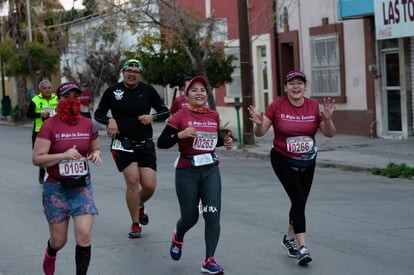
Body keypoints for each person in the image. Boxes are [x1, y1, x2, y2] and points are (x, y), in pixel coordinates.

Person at [248, 70, 336, 266]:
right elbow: (261, 132)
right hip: (282, 159)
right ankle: (302, 247)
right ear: (285, 88)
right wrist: (257, 124)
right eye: (291, 83)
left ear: (305, 87)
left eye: (300, 83)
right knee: (297, 198)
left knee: (300, 201)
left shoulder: (314, 106)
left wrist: (328, 119)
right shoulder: (276, 106)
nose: (296, 87)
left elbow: (329, 134)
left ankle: (288, 238)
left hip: (308, 160)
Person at [157, 76, 233, 275]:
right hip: (187, 170)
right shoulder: (180, 116)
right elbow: (162, 142)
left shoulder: (213, 115)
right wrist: (179, 135)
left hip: (210, 170)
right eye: (194, 90)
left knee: (212, 214)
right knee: (190, 217)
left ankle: (209, 260)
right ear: (187, 95)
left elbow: (212, 139)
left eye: (202, 90)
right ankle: (178, 235)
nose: (199, 93)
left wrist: (224, 142)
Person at [94, 58, 170, 238]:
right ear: (123, 73)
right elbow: (99, 113)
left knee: (150, 186)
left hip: (144, 143)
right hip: (122, 143)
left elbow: (165, 111)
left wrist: (152, 117)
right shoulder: (113, 91)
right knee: (133, 180)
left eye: (136, 72)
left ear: (140, 75)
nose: (132, 74)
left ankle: (139, 205)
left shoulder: (148, 90)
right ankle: (135, 223)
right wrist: (110, 120)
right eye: (128, 71)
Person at [32, 82, 102, 275]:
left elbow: (94, 147)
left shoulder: (88, 123)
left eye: (75, 96)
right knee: (59, 241)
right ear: (59, 100)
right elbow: (37, 158)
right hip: (56, 188)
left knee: (84, 235)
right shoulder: (49, 125)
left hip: (81, 186)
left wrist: (95, 154)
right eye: (67, 96)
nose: (72, 100)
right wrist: (62, 155)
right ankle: (51, 252)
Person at [27, 80, 58, 184]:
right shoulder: (35, 100)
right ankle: (41, 170)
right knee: (40, 153)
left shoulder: (57, 99)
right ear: (40, 90)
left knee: (55, 151)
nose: (47, 90)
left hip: (55, 130)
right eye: (45, 88)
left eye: (49, 88)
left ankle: (54, 172)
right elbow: (29, 114)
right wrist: (40, 115)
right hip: (39, 131)